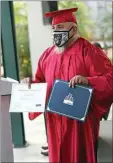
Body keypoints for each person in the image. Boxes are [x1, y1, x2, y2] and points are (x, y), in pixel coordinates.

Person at [23, 8, 113, 163]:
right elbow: (41, 80)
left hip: (79, 123)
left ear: (74, 29)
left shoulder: (89, 52)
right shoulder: (47, 55)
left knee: (79, 156)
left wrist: (88, 81)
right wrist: (31, 84)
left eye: (60, 27)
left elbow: (109, 78)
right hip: (54, 121)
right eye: (53, 29)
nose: (56, 32)